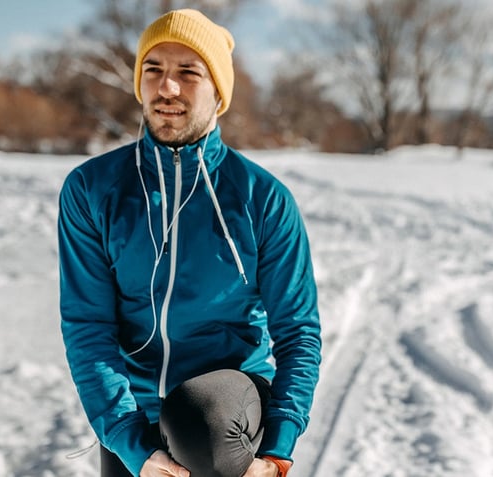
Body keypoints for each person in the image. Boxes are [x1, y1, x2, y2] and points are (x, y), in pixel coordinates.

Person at [58, 9, 321, 477]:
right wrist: (127, 439)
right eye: (154, 69)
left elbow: (298, 331)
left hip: (223, 410)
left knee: (198, 419)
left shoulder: (262, 198)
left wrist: (276, 450)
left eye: (188, 73)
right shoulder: (92, 189)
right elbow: (88, 326)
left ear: (219, 91)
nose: (168, 88)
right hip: (136, 408)